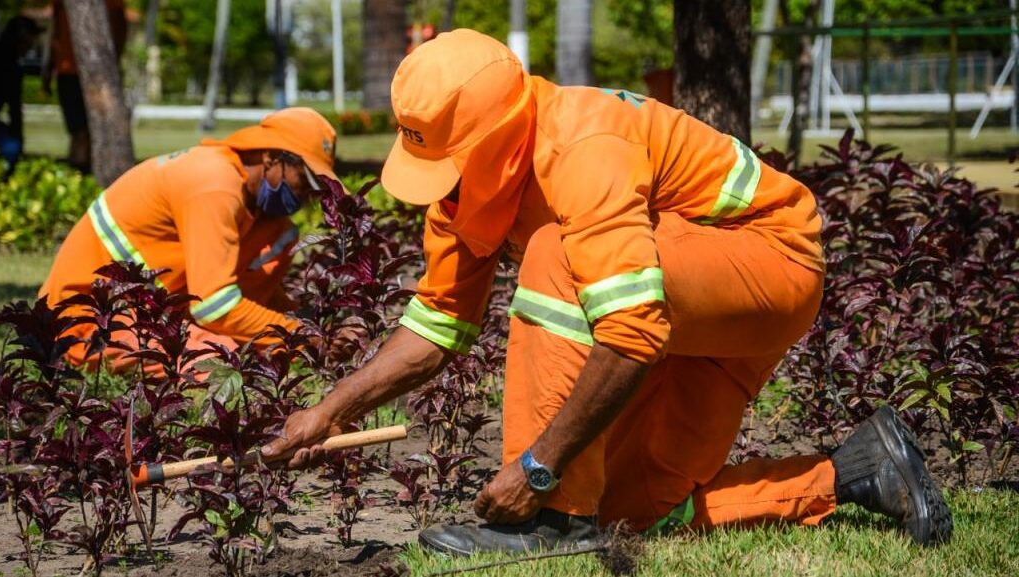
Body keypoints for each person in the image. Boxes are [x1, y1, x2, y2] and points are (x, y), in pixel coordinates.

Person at [262, 30, 953, 553]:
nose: (437, 187)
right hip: (671, 293)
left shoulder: (583, 148)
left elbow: (631, 330)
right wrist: (329, 411)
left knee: (555, 255)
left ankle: (554, 520)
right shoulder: (467, 189)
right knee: (632, 510)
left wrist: (539, 471)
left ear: (499, 138)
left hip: (767, 263)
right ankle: (859, 470)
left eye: (447, 162)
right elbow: (440, 322)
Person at [41, 107, 351, 371]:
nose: (309, 196)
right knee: (221, 362)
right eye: (307, 181)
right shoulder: (214, 186)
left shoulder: (242, 192)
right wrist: (296, 335)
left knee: (281, 237)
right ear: (270, 157)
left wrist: (309, 329)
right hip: (86, 322)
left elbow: (251, 296)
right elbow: (214, 306)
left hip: (146, 310)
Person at [43, 0, 127, 173]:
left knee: (88, 132)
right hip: (68, 71)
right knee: (79, 132)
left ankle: (81, 173)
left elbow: (120, 28)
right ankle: (78, 175)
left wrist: (113, 64)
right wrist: (50, 65)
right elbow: (56, 33)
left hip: (95, 72)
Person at [0, 16, 43, 174]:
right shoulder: (10, 67)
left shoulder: (9, 63)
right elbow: (15, 110)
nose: (31, 46)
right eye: (30, 41)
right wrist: (19, 141)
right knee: (12, 147)